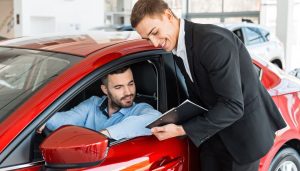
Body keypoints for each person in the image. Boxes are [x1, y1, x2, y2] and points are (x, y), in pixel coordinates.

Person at [130, 0, 286, 171]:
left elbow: (233, 106)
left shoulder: (212, 42)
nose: (154, 43)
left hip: (243, 139)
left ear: (168, 16)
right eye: (147, 38)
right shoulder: (176, 45)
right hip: (213, 134)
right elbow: (203, 93)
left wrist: (181, 129)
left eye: (155, 32)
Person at [38, 66, 161, 140]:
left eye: (131, 84)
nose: (128, 92)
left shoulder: (140, 109)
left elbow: (156, 119)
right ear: (105, 90)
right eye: (119, 87)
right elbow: (65, 120)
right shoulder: (92, 104)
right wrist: (44, 119)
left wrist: (104, 134)